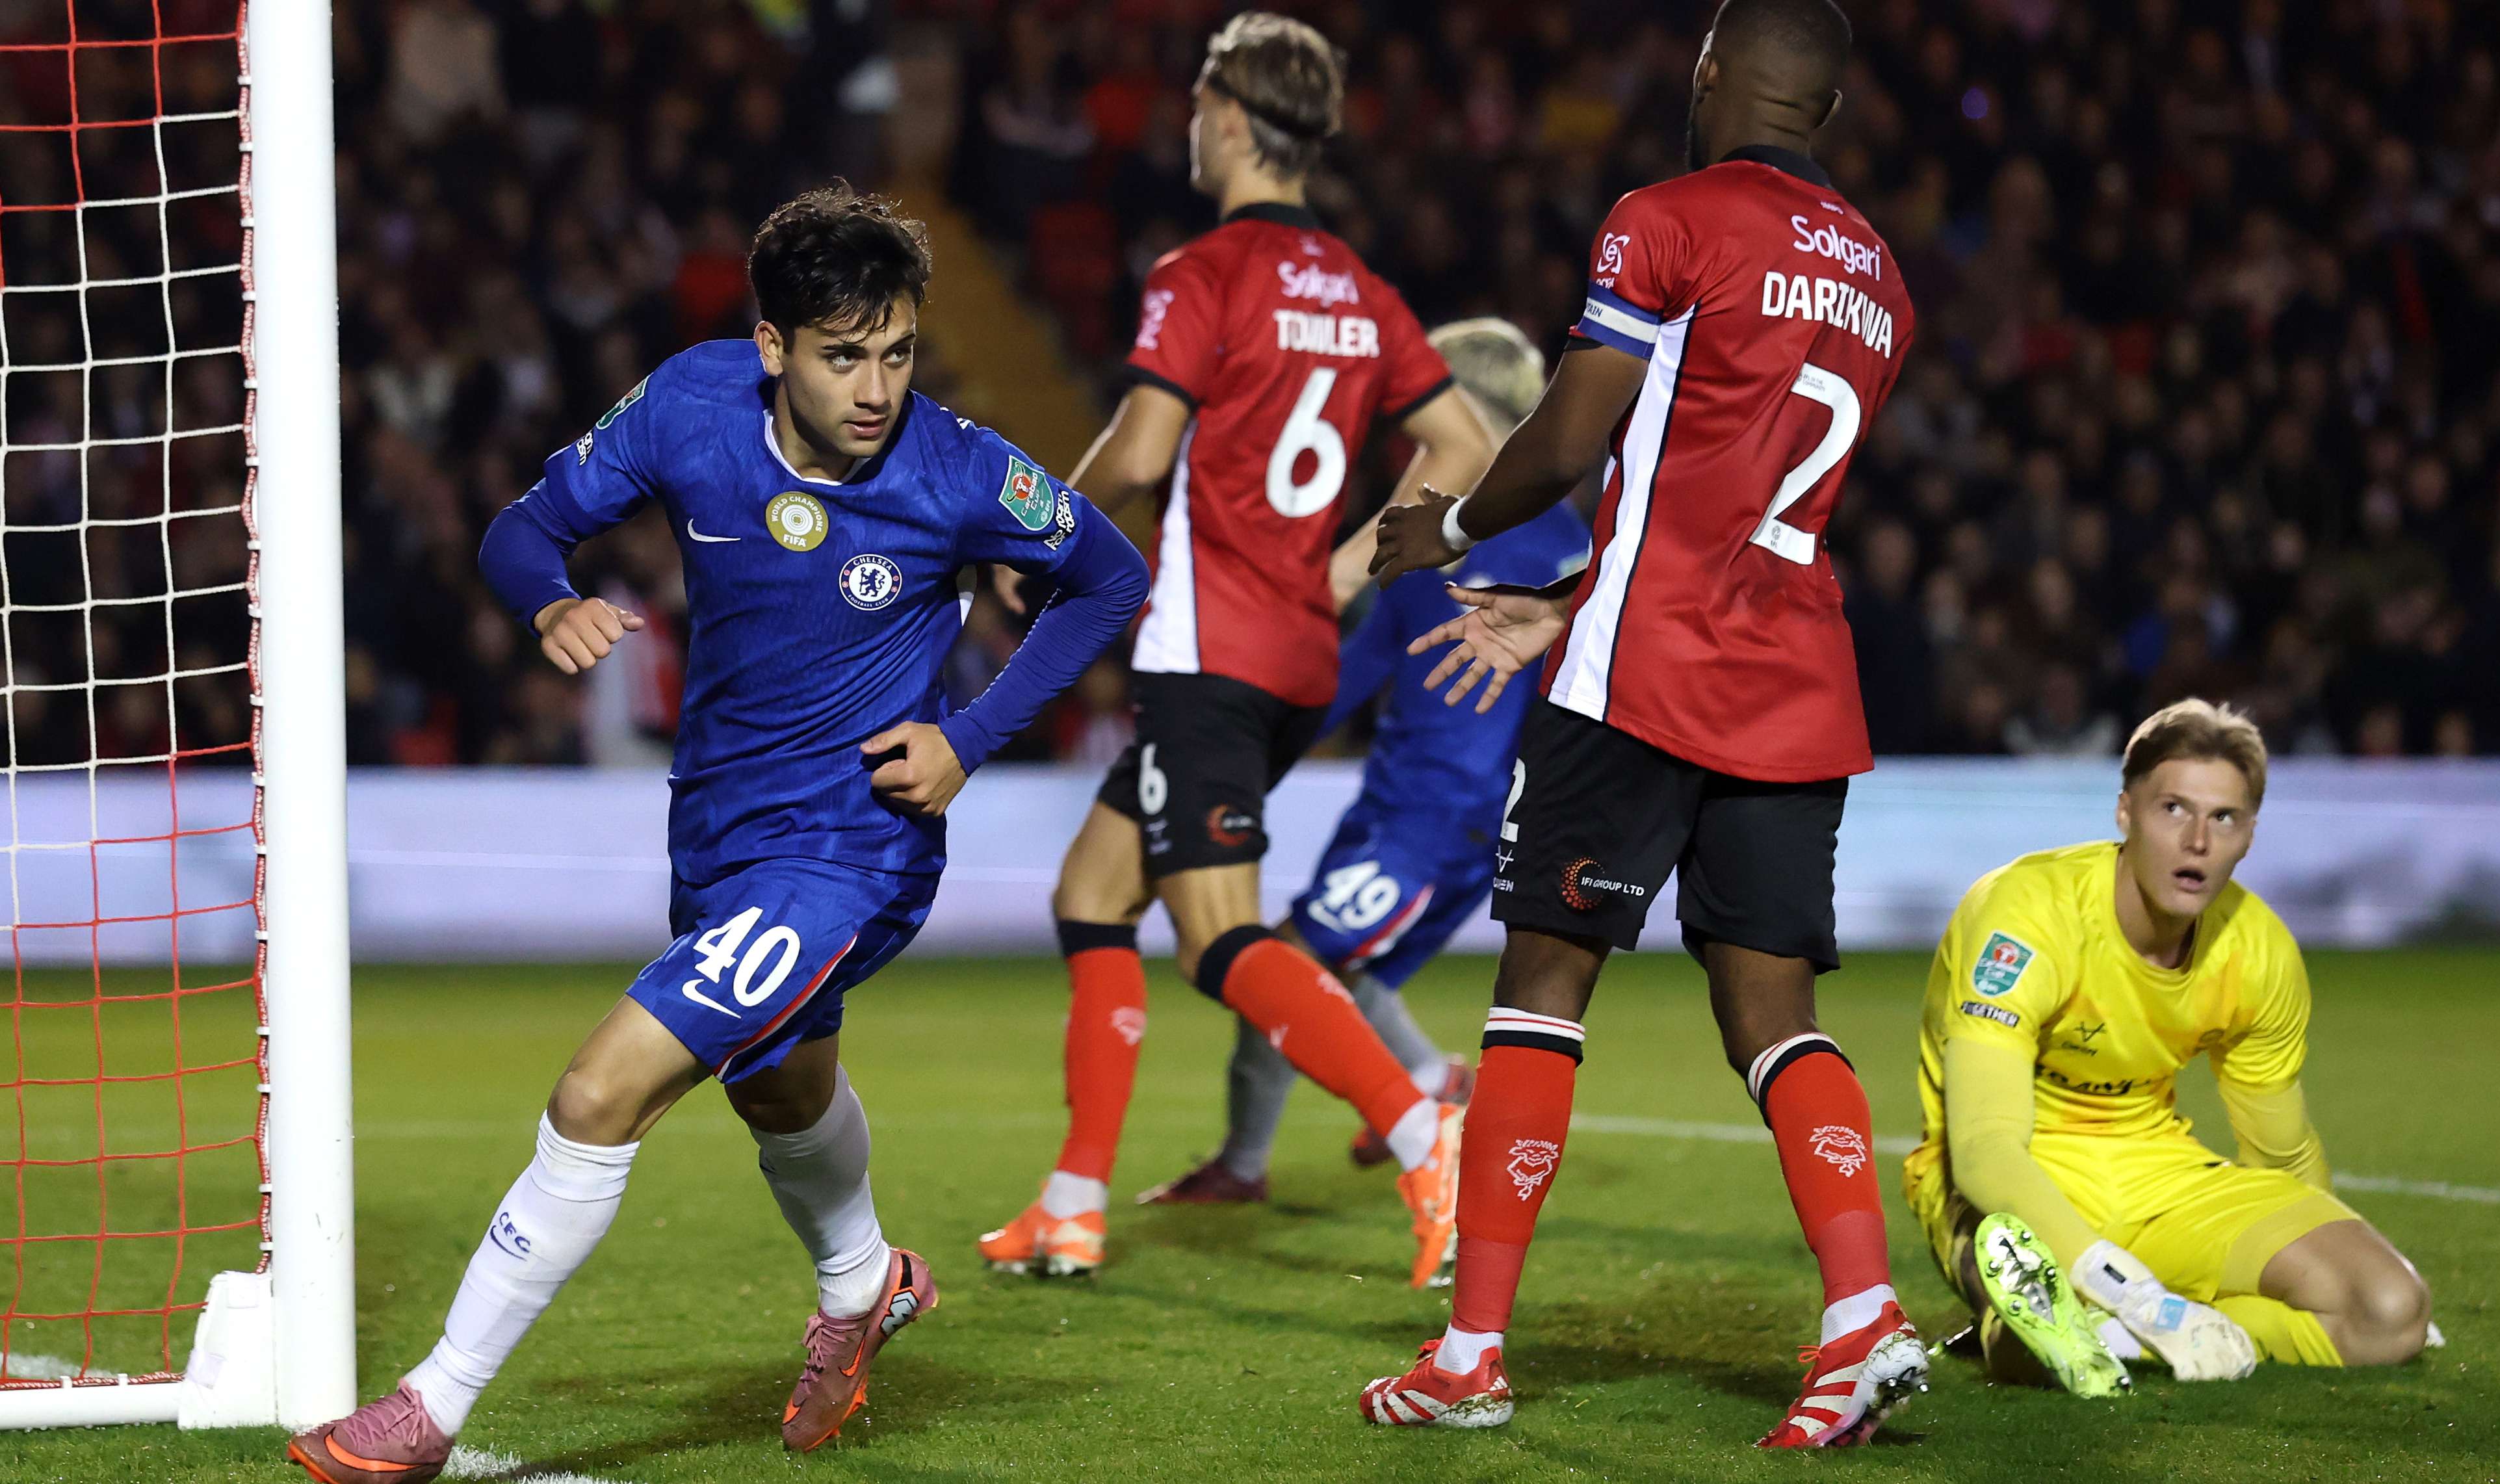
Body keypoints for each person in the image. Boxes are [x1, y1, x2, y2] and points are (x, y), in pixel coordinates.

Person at [287, 187, 1150, 1483]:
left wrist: (969, 737)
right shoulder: (692, 403)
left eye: (898, 352)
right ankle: (864, 1282)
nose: (877, 388)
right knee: (779, 1084)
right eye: (843, 355)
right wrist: (548, 603)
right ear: (771, 346)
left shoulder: (959, 468)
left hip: (853, 849)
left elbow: (1110, 577)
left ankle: (428, 1403)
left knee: (598, 1093)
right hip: (718, 833)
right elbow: (525, 527)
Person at [1358, 0, 1930, 1446]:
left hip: (1641, 680)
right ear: (1828, 110)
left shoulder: (1665, 220)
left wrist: (1448, 528)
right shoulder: (1880, 279)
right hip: (1794, 682)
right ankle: (1862, 1314)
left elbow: (1573, 435)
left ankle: (1469, 1355)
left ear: (1708, 73)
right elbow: (1730, 500)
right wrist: (1566, 594)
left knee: (1540, 987)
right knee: (1773, 1016)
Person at [978, 12, 1496, 1288]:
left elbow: (1144, 448)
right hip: (1294, 653)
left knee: (1217, 938)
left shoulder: (1201, 271)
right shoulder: (1361, 291)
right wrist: (1349, 566)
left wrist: (1038, 531)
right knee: (1092, 894)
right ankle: (1072, 1200)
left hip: (1209, 653)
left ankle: (1422, 1130)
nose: (1187, 124)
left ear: (1227, 116)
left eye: (1198, 102)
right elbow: (1468, 449)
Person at [1139, 319, 1591, 1205]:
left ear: (1468, 412)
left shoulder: (1460, 537)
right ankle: (1412, 1086)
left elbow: (1347, 674)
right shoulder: (1563, 535)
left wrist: (1240, 740)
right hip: (1457, 813)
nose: (1415, 438)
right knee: (1334, 973)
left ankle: (1374, 1116)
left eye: (1429, 415)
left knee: (1284, 964)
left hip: (1432, 818)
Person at [1906, 700, 2435, 1396]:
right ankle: (2065, 1324)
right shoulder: (2028, 914)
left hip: (2158, 1174)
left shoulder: (2259, 951)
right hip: (2012, 1178)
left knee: (2388, 1311)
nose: (2197, 841)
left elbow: (2279, 1153)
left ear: (2249, 836)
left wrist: (2347, 1265)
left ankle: (2130, 1336)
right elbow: (1984, 1149)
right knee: (2033, 1328)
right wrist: (2127, 1286)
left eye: (2224, 818)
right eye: (2173, 809)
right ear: (2125, 812)